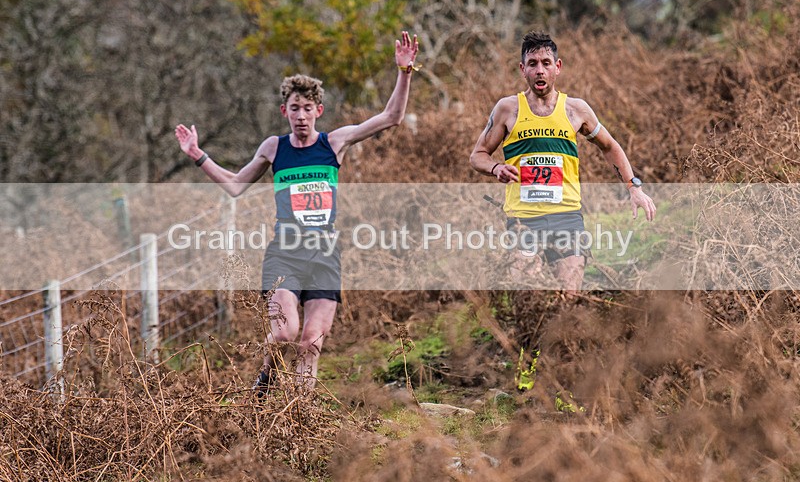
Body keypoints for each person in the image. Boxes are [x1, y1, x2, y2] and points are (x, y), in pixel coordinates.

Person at [175, 31, 419, 389]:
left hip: (324, 257)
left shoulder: (334, 143)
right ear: (284, 111)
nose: (301, 116)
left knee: (311, 343)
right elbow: (235, 186)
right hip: (285, 256)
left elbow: (391, 117)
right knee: (285, 333)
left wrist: (404, 71)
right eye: (294, 109)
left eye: (308, 109)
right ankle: (266, 378)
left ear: (318, 110)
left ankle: (301, 425)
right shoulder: (274, 148)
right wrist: (198, 155)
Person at [469, 31, 656, 292]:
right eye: (532, 64)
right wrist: (496, 167)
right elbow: (477, 155)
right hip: (524, 219)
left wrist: (633, 186)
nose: (540, 71)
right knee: (526, 295)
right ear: (523, 70)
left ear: (557, 67)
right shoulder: (507, 109)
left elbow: (610, 146)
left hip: (566, 218)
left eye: (546, 63)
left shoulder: (576, 110)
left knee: (568, 299)